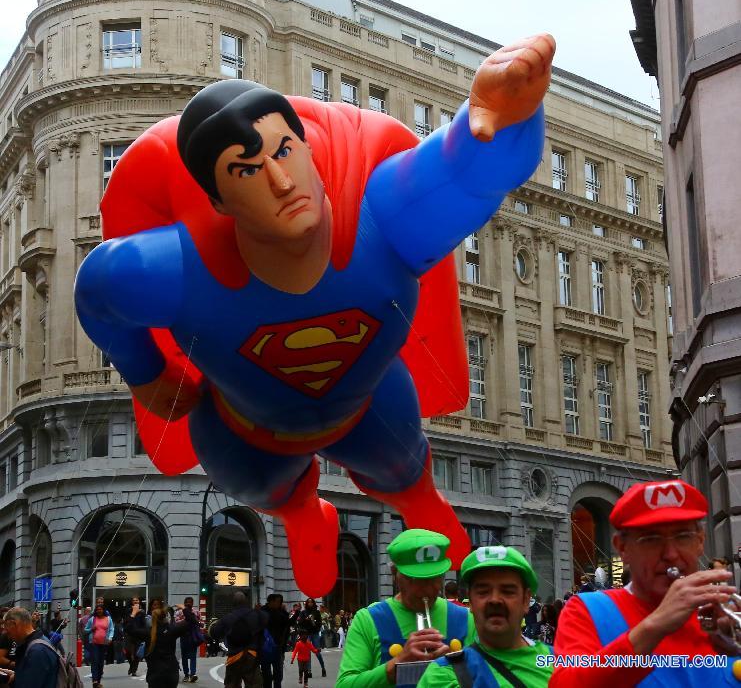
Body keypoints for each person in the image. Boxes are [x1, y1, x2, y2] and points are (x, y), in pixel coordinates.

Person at [76, 36, 554, 598]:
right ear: (219, 201)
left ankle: (417, 499)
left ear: (306, 147)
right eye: (246, 170)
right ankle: (305, 515)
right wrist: (147, 374)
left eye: (283, 152)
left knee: (402, 465)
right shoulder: (184, 268)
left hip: (369, 404)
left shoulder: (382, 220)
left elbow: (464, 167)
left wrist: (502, 116)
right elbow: (99, 289)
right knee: (257, 484)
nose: (281, 182)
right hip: (244, 431)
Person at [551, 478, 741, 686]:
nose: (670, 554)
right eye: (651, 539)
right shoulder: (588, 610)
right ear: (622, 548)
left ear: (700, 541)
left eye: (683, 536)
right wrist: (655, 626)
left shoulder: (722, 614)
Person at [336, 528, 475, 687]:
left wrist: (456, 667)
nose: (426, 589)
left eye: (435, 577)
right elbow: (343, 684)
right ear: (394, 573)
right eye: (415, 579)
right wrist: (393, 667)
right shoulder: (368, 620)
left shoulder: (466, 619)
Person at [417, 545, 553, 686]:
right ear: (470, 602)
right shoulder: (441, 675)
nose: (495, 600)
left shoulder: (562, 663)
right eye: (483, 591)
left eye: (507, 591)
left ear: (526, 600)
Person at [125, 598, 190, 688]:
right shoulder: (172, 630)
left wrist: (133, 613)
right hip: (171, 672)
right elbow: (191, 622)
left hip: (155, 674)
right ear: (165, 617)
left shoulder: (148, 633)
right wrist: (184, 608)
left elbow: (129, 629)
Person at [209, 591, 268, 688]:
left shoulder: (227, 618)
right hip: (252, 656)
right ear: (246, 602)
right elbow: (266, 620)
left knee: (232, 684)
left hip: (234, 656)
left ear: (233, 603)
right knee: (254, 684)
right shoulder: (256, 615)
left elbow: (214, 633)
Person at [3, 607, 58, 688]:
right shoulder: (40, 642)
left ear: (14, 624)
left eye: (8, 632)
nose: (8, 637)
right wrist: (17, 675)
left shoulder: (37, 651)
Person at [261, 593, 290, 688]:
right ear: (271, 602)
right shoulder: (263, 612)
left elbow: (287, 625)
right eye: (278, 601)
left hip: (278, 647)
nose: (279, 604)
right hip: (265, 648)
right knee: (267, 675)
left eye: (280, 602)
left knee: (278, 675)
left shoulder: (280, 612)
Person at [84, 601, 114, 688]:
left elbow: (111, 629)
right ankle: (95, 681)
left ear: (103, 610)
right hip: (94, 644)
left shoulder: (108, 619)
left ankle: (98, 681)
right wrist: (91, 629)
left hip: (104, 644)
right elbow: (85, 630)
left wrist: (110, 638)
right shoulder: (92, 619)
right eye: (97, 610)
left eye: (100, 609)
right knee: (95, 661)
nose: (99, 611)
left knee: (101, 663)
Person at [297, 599, 326, 678]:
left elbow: (320, 623)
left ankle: (323, 668)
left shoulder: (316, 612)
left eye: (311, 602)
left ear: (313, 603)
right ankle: (309, 671)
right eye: (308, 602)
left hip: (315, 634)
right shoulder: (303, 612)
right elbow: (300, 623)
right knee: (307, 652)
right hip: (307, 635)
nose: (310, 603)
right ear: (306, 603)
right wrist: (306, 620)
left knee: (317, 652)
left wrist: (315, 623)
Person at [179, 595, 203, 683]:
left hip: (193, 637)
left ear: (193, 603)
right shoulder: (179, 612)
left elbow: (201, 623)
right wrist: (185, 620)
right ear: (184, 603)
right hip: (184, 636)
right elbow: (177, 623)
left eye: (190, 602)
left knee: (193, 656)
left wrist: (197, 622)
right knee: (184, 656)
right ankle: (186, 675)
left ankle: (193, 674)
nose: (188, 603)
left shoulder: (196, 612)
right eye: (187, 602)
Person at [124, 595, 145, 676]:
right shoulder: (128, 611)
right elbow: (126, 622)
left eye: (137, 600)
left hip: (138, 634)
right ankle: (131, 665)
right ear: (132, 602)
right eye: (134, 600)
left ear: (139, 602)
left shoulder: (142, 612)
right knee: (127, 652)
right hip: (129, 634)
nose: (136, 602)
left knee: (137, 653)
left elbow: (143, 624)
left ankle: (134, 670)